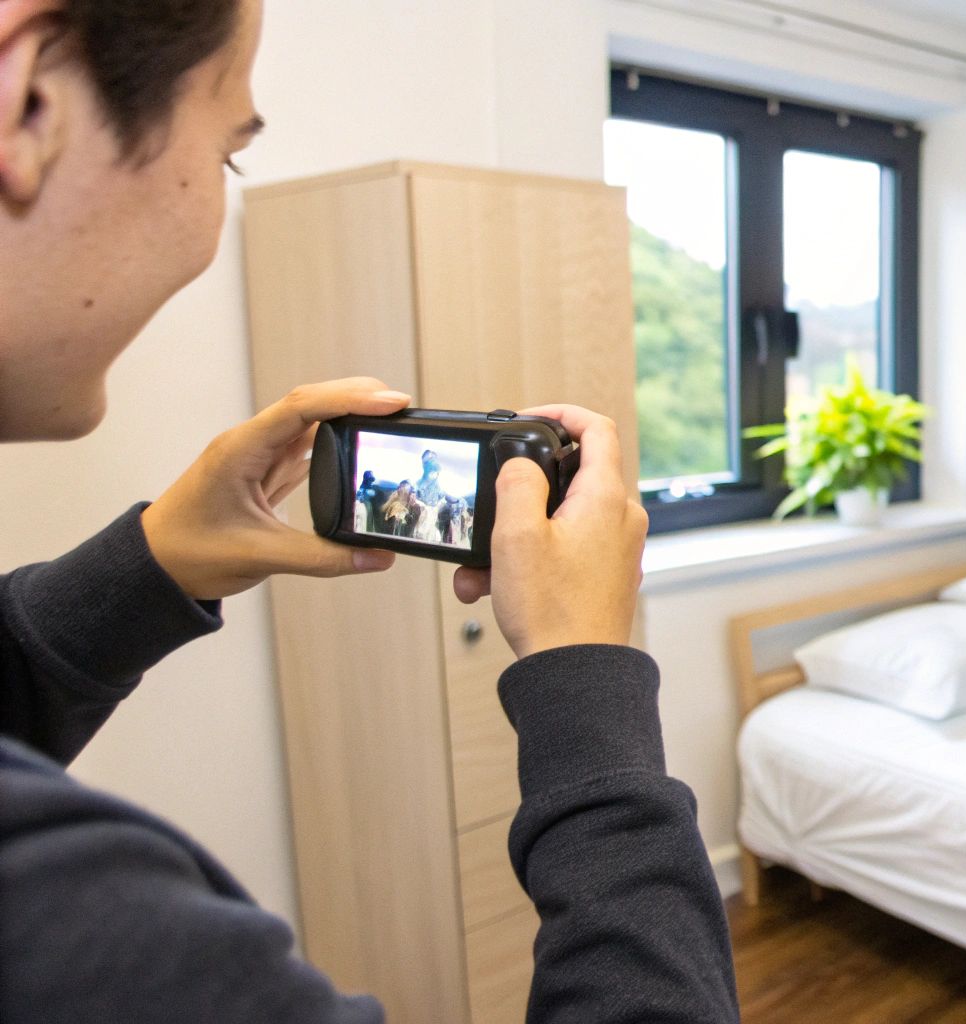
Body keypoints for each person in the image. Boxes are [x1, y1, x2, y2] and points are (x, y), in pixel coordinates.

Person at [0, 2, 739, 1023]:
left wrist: (154, 562)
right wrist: (587, 678)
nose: (211, 224)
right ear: (30, 102)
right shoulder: (63, 906)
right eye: (226, 154)